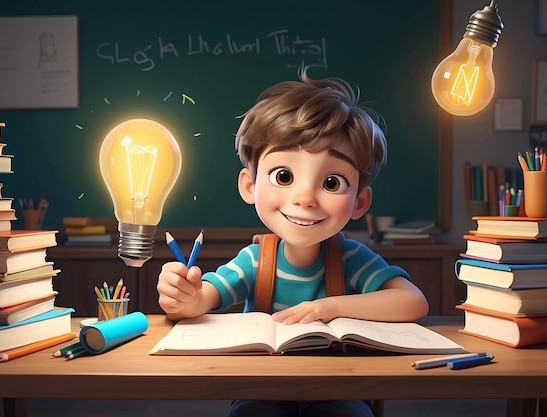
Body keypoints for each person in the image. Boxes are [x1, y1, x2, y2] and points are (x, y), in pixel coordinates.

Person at [157, 69, 429, 417]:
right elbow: (201, 301)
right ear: (249, 186)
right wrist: (183, 294)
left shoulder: (351, 259)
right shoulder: (255, 260)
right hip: (261, 389)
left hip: (338, 388)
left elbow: (413, 301)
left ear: (359, 202)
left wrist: (330, 307)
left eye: (332, 183)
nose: (305, 198)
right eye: (283, 176)